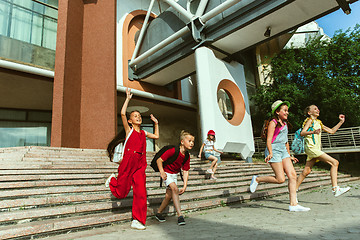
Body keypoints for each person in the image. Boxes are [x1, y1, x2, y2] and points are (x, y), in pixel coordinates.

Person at [105, 88, 159, 230]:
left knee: (140, 192)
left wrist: (156, 123)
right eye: (135, 116)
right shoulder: (129, 131)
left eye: (139, 115)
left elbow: (156, 136)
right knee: (121, 193)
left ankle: (137, 220)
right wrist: (127, 98)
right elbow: (122, 113)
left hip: (140, 163)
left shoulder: (143, 132)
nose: (138, 117)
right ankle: (112, 180)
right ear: (130, 121)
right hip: (128, 161)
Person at [249, 100, 310, 212]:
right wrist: (271, 153)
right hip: (274, 150)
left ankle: (293, 204)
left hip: (283, 151)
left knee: (292, 175)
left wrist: (289, 155)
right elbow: (268, 140)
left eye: (287, 111)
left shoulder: (285, 124)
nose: (287, 113)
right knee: (280, 179)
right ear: (277, 112)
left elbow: (286, 142)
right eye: (285, 110)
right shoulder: (273, 123)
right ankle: (257, 179)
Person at [296, 105, 350, 197]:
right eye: (315, 109)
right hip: (311, 148)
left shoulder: (319, 123)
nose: (318, 110)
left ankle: (293, 189)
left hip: (314, 149)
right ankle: (335, 189)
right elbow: (302, 133)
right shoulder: (310, 120)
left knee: (306, 171)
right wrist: (313, 132)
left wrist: (341, 122)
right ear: (309, 113)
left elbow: (332, 131)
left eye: (318, 108)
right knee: (334, 163)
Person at [155, 131, 195, 225]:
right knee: (175, 189)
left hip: (174, 175)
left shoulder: (187, 156)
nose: (192, 143)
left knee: (168, 196)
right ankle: (180, 216)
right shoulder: (173, 150)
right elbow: (159, 160)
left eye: (193, 141)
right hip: (166, 173)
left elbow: (185, 171)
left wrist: (185, 185)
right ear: (182, 141)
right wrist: (161, 172)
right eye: (189, 141)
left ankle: (158, 213)